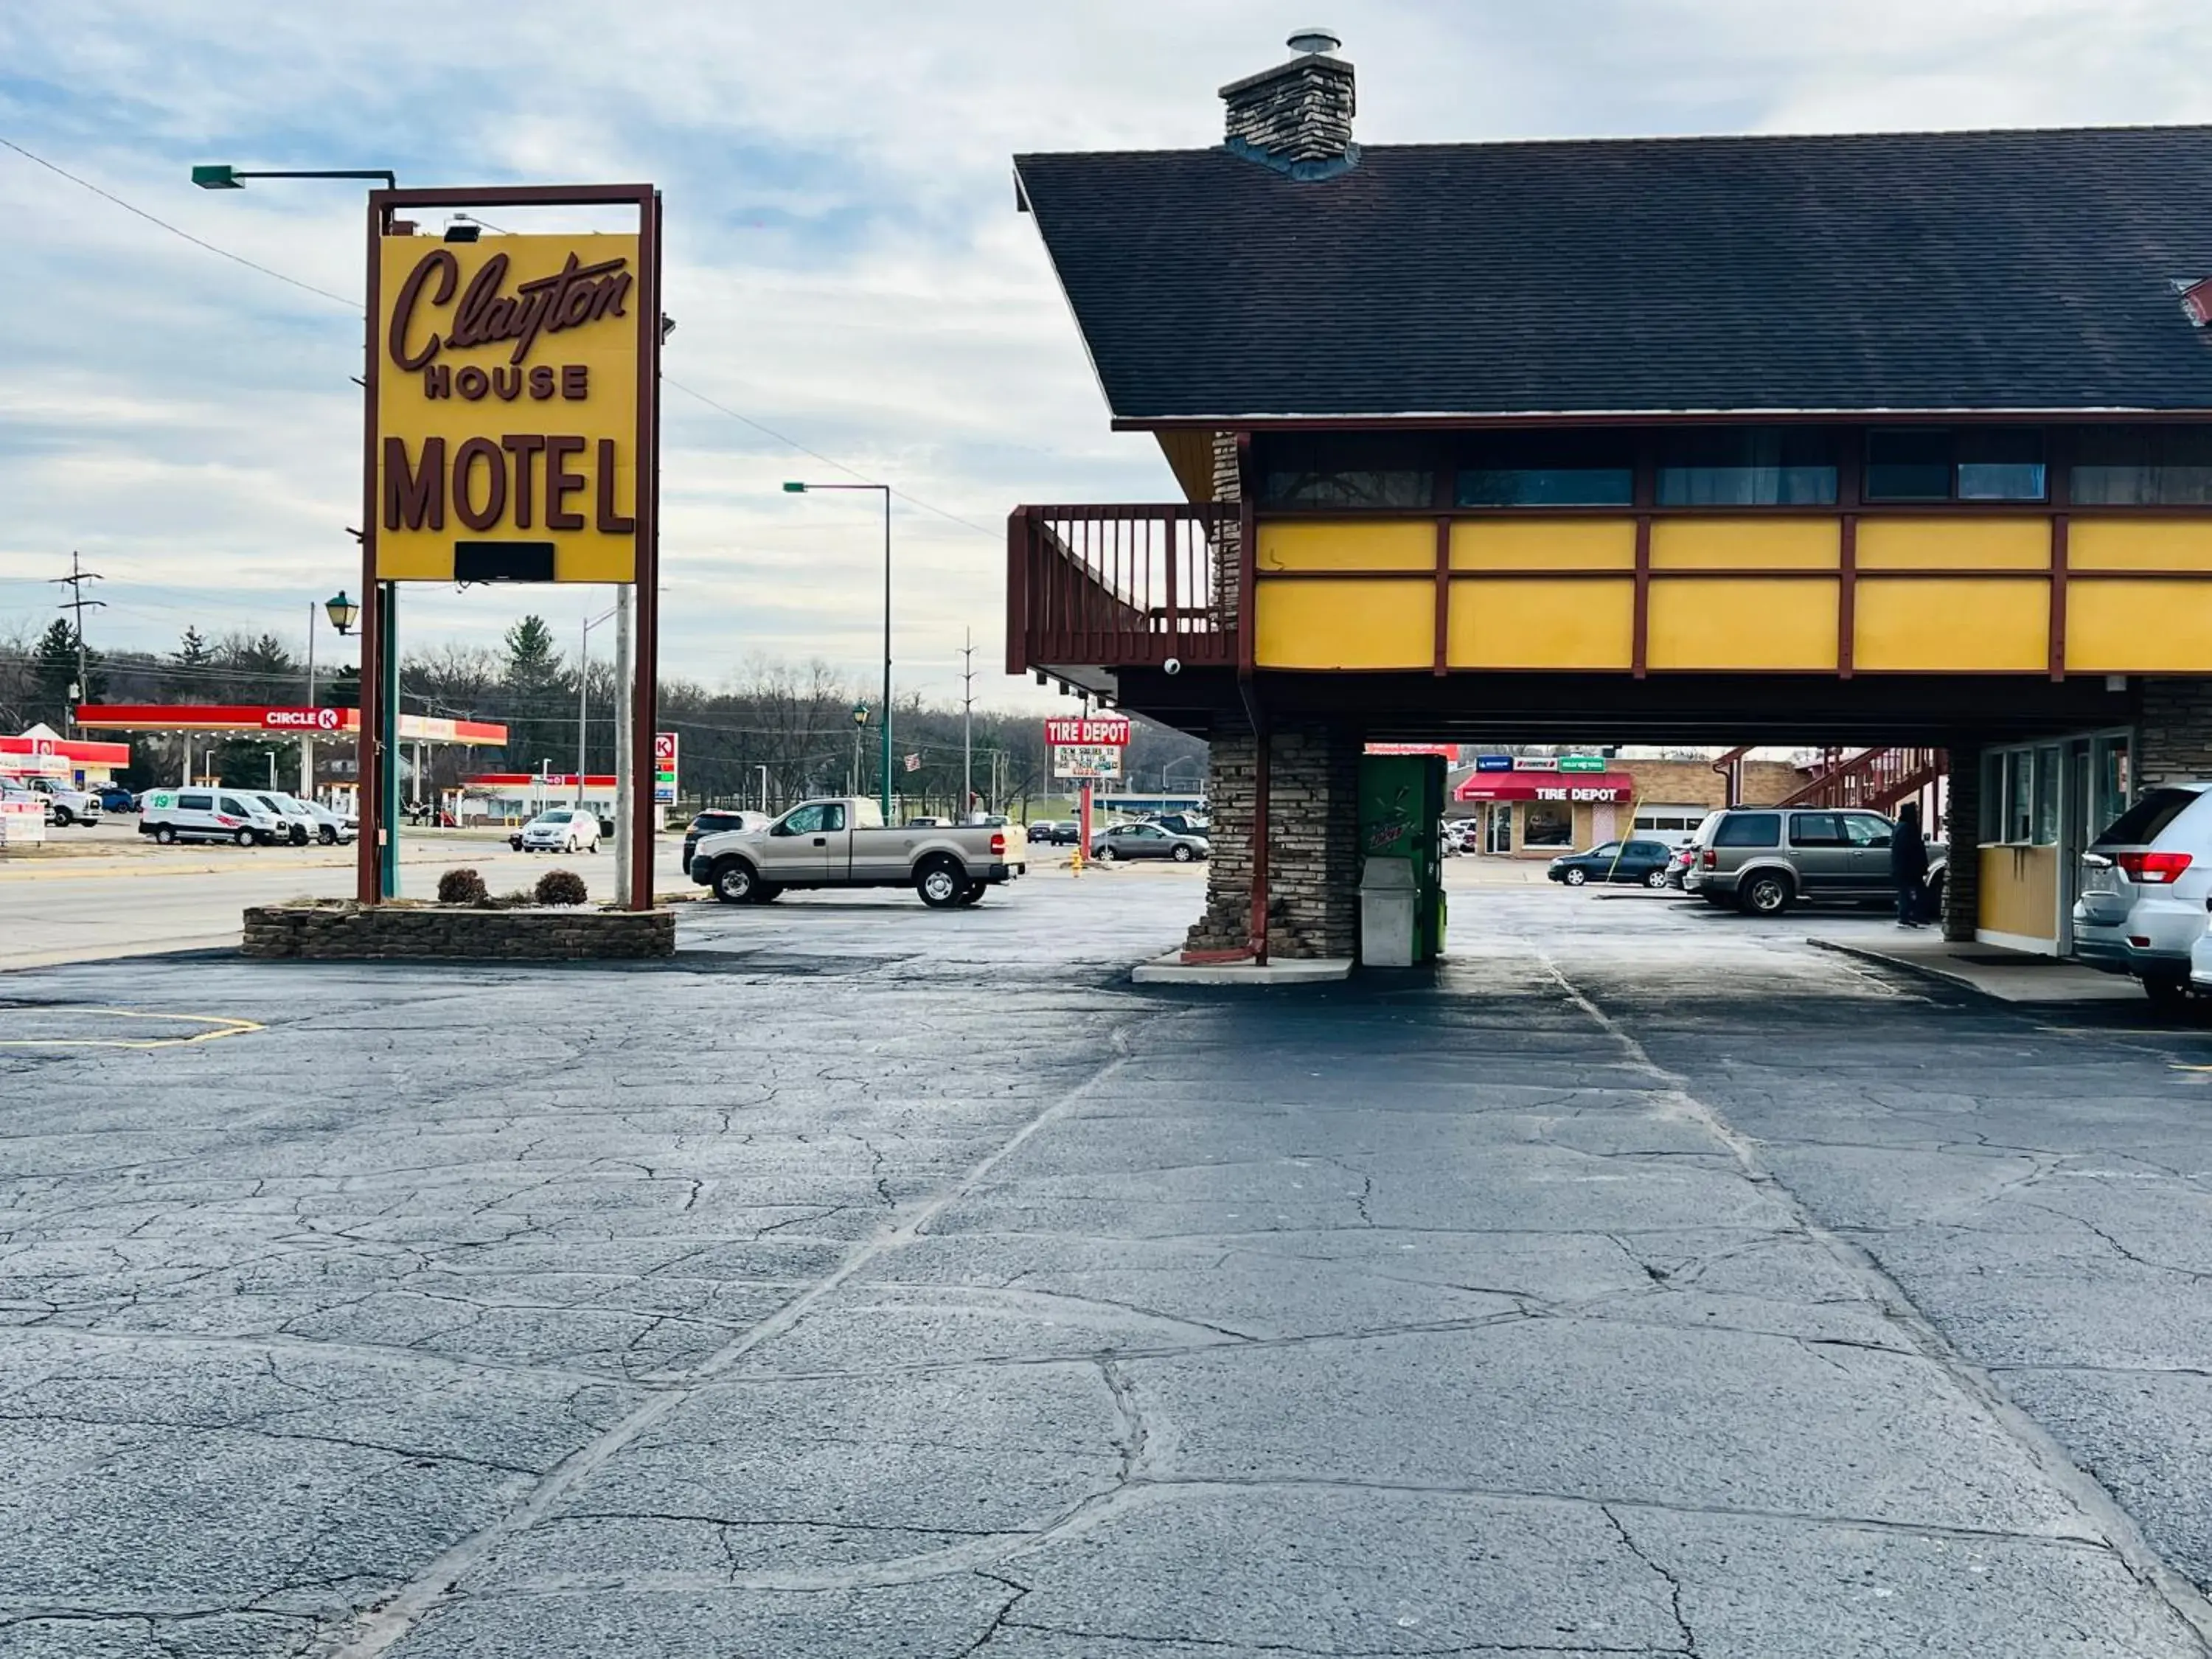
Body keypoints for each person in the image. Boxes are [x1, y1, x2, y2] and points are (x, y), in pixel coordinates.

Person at [1891, 801, 1930, 927]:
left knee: (1906, 891)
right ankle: (1911, 915)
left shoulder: (1901, 827)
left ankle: (1909, 915)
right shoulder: (1907, 828)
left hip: (1904, 866)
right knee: (1915, 891)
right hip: (1909, 867)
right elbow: (1909, 849)